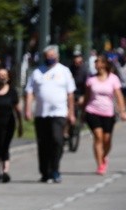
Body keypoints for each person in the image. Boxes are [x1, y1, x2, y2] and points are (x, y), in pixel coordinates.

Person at [24, 45, 76, 183]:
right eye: (47, 56)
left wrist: (71, 112)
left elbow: (70, 94)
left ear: (57, 56)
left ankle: (55, 169)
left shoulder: (64, 71)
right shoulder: (37, 72)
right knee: (43, 144)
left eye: (52, 56)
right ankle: (45, 172)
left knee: (57, 140)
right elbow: (29, 92)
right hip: (41, 114)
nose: (50, 58)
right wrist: (28, 109)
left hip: (59, 113)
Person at [83, 55, 126, 175]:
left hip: (108, 112)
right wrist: (82, 110)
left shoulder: (113, 79)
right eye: (95, 63)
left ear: (104, 64)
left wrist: (122, 110)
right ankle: (100, 164)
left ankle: (104, 156)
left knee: (107, 139)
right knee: (98, 137)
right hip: (92, 111)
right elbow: (87, 96)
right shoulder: (91, 79)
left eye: (98, 62)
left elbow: (119, 96)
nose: (96, 65)